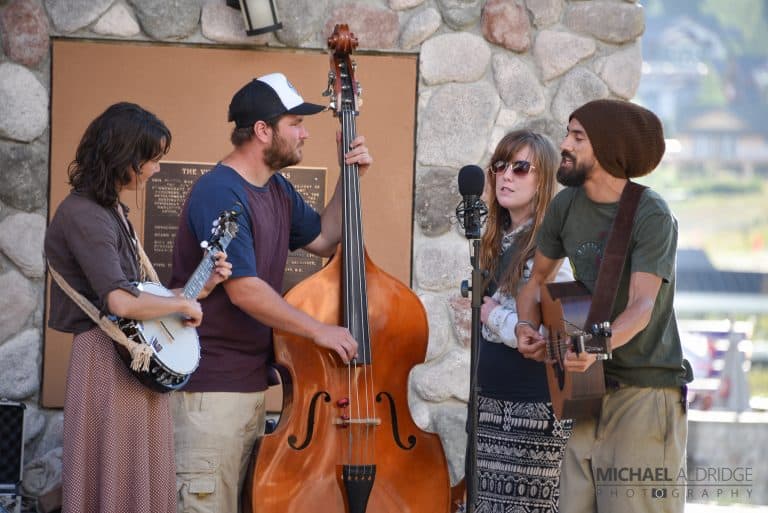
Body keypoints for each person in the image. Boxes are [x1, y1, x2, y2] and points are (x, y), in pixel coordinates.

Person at [169, 72, 372, 513]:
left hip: (249, 393)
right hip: (210, 398)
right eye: (295, 123)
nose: (305, 132)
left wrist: (348, 173)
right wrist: (318, 330)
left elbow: (324, 238)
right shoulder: (220, 191)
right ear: (263, 131)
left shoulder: (275, 188)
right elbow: (244, 290)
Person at [44, 102, 231, 513]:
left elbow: (140, 296)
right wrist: (182, 299)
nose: (155, 169)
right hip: (106, 359)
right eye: (150, 159)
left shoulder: (110, 212)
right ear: (123, 157)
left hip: (130, 357)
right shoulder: (85, 215)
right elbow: (119, 301)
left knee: (137, 477)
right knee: (112, 480)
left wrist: (198, 289)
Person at [515, 99, 692, 513]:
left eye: (578, 137)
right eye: (568, 133)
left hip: (645, 395)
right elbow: (536, 282)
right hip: (585, 393)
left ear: (608, 147)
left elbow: (642, 305)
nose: (564, 144)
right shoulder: (565, 206)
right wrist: (527, 326)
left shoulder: (651, 214)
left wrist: (592, 347)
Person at [470, 130, 574, 513]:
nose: (505, 175)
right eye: (500, 166)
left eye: (520, 167)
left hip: (532, 413)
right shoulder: (501, 241)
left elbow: (554, 335)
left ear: (543, 178)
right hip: (492, 407)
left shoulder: (549, 248)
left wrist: (492, 315)